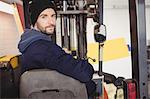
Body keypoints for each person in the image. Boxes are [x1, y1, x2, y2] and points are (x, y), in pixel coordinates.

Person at [18, 0, 96, 97]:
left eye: (53, 16)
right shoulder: (44, 48)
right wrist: (88, 67)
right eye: (44, 17)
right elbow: (84, 73)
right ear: (34, 20)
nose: (51, 22)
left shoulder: (30, 45)